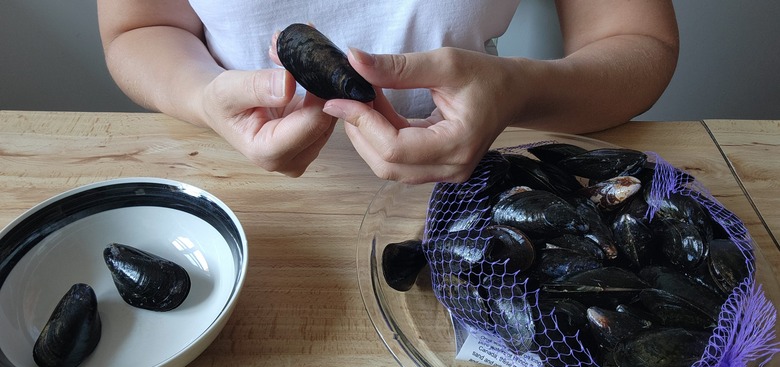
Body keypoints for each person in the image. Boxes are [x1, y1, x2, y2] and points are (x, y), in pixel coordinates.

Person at [97, 1, 678, 183]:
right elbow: (139, 26)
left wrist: (519, 92)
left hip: (469, 185)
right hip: (228, 192)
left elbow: (636, 41)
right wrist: (204, 96)